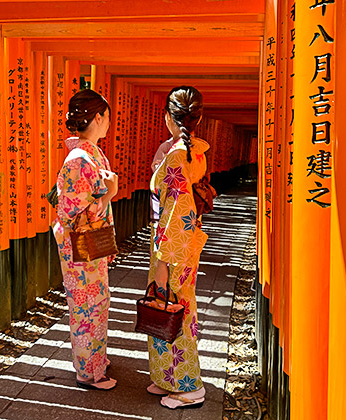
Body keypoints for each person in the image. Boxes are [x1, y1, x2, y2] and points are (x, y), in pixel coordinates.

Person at [145, 86, 210, 409]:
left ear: (169, 117)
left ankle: (189, 386)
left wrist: (162, 260)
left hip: (173, 245)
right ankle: (165, 376)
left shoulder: (175, 154)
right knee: (166, 306)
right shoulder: (193, 150)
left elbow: (176, 210)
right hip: (182, 240)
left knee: (176, 311)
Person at [52, 89, 118, 390]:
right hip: (81, 245)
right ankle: (88, 371)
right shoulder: (80, 158)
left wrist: (104, 191)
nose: (108, 122)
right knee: (86, 305)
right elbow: (70, 208)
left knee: (95, 301)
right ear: (98, 117)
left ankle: (94, 361)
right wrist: (108, 192)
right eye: (106, 116)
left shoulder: (88, 153)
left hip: (88, 245)